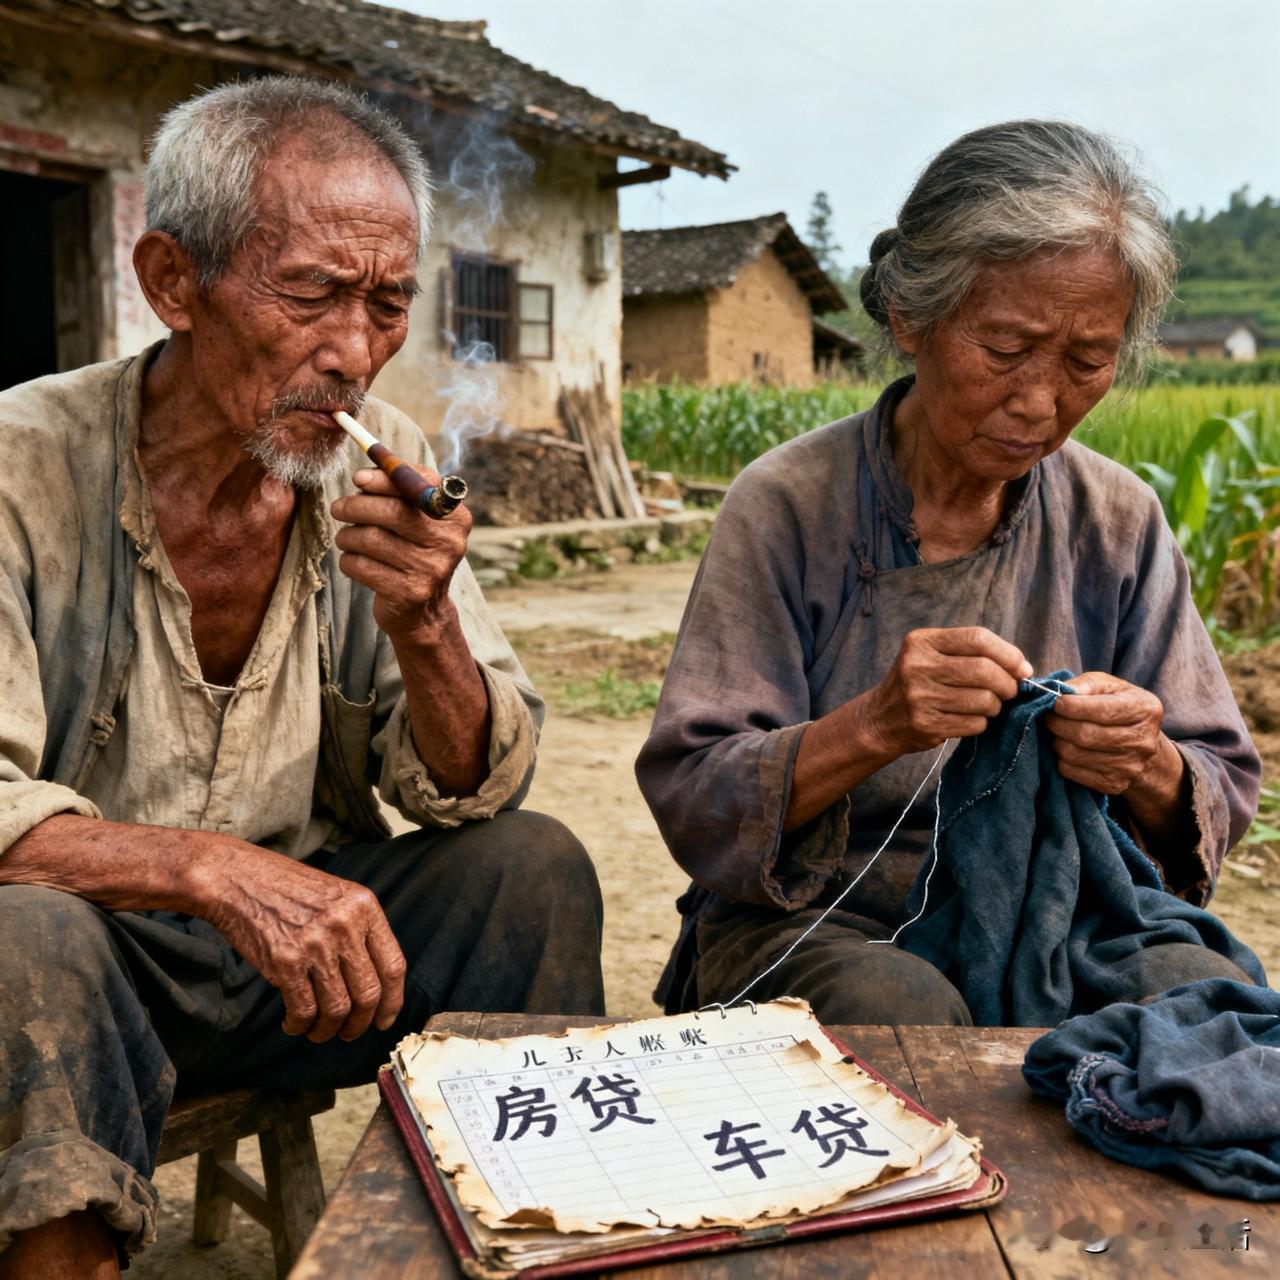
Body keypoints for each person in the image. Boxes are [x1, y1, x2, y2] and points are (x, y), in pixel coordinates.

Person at [0, 77, 604, 1277]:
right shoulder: (22, 465)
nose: (352, 352)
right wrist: (213, 872)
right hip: (100, 958)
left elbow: (467, 785)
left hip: (315, 967)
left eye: (386, 305)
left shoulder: (381, 461)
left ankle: (529, 1238)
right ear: (173, 281)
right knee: (23, 937)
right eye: (313, 294)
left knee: (530, 871)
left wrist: (425, 619)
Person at [637, 120, 1261, 1029]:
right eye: (1006, 350)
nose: (1041, 402)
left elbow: (1218, 782)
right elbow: (696, 793)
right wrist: (875, 726)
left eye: (1088, 362)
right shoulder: (786, 504)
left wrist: (1146, 761)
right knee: (901, 1013)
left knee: (1209, 1018)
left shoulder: (1117, 518)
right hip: (816, 915)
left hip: (1065, 911)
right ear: (910, 318)